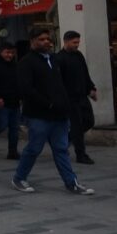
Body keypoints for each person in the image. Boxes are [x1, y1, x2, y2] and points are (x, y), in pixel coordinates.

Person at [11, 27, 94, 195]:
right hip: (39, 115)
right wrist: (47, 104)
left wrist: (66, 103)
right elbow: (26, 89)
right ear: (32, 41)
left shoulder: (54, 59)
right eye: (41, 39)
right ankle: (19, 178)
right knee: (34, 148)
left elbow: (63, 84)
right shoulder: (27, 62)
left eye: (48, 39)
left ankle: (71, 183)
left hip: (60, 114)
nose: (46, 42)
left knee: (61, 149)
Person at [54, 31, 97, 165]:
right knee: (77, 126)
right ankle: (81, 154)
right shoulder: (59, 58)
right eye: (74, 42)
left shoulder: (78, 55)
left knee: (89, 121)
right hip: (70, 99)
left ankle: (65, 140)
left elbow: (85, 73)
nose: (77, 45)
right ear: (66, 41)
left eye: (78, 42)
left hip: (82, 96)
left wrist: (91, 88)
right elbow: (58, 82)